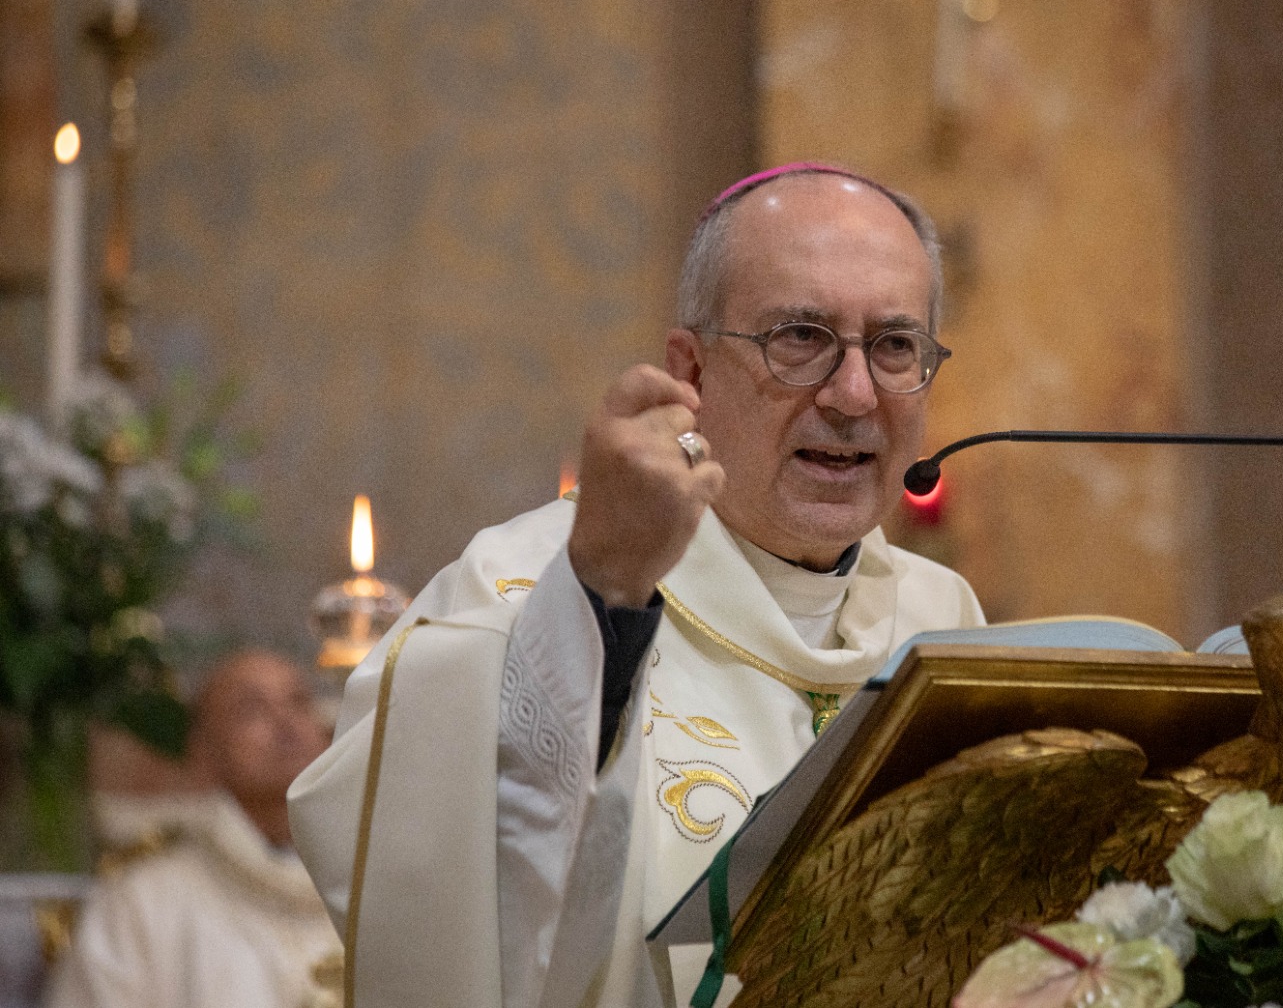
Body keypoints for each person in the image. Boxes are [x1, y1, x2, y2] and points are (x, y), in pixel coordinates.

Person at [287, 163, 985, 1008]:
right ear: (690, 372)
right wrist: (602, 601)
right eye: (800, 337)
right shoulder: (532, 587)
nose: (853, 394)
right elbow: (427, 890)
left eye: (896, 346)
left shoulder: (941, 619)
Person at [48, 651, 341, 1008]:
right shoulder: (141, 906)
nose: (287, 724)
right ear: (203, 751)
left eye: (299, 702)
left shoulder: (373, 889)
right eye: (252, 709)